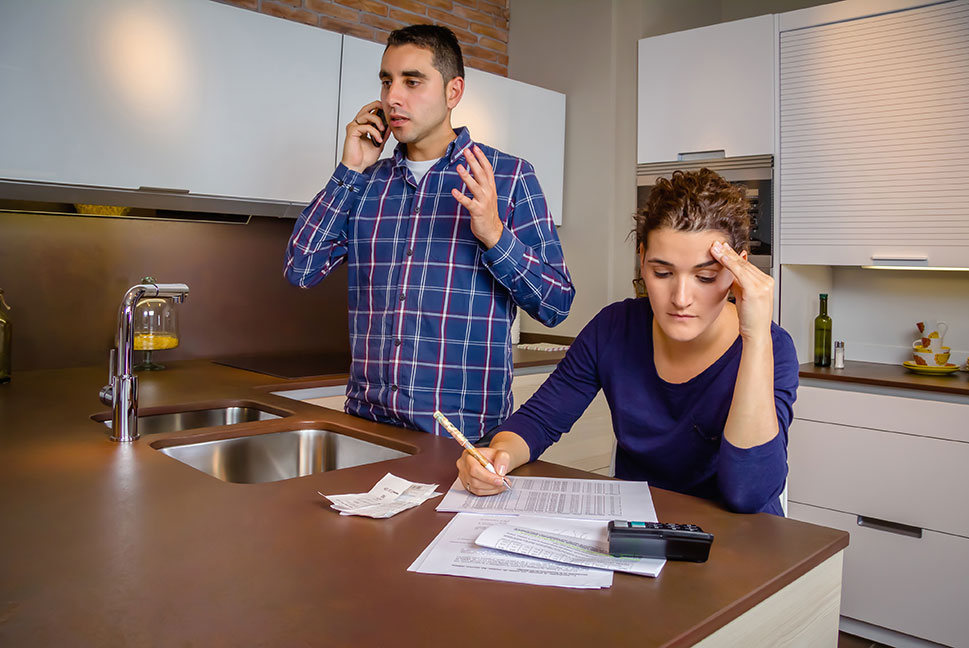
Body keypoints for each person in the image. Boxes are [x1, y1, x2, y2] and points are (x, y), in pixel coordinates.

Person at [284, 24, 574, 439]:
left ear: (453, 92)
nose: (392, 98)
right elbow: (301, 268)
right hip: (367, 428)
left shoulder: (508, 178)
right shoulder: (366, 182)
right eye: (387, 81)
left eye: (412, 81)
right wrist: (349, 169)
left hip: (465, 437)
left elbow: (556, 304)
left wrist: (494, 234)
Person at [457, 169, 798, 515]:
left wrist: (754, 339)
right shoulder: (614, 328)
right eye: (662, 273)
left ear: (738, 269)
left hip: (740, 547)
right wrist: (497, 455)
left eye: (705, 277)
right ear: (642, 257)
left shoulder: (772, 347)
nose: (681, 298)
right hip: (639, 533)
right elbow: (541, 420)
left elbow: (749, 494)